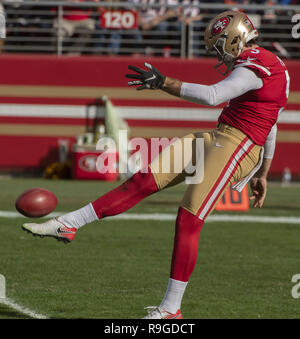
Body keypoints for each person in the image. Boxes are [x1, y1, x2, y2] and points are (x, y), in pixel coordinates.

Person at [22, 10, 289, 319]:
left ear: (235, 39)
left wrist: (164, 82)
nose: (218, 54)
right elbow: (273, 122)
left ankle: (171, 309)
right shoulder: (266, 63)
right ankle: (69, 224)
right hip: (221, 136)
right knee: (143, 180)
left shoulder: (257, 65)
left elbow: (214, 95)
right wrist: (265, 171)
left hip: (239, 146)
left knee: (189, 218)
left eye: (219, 46)